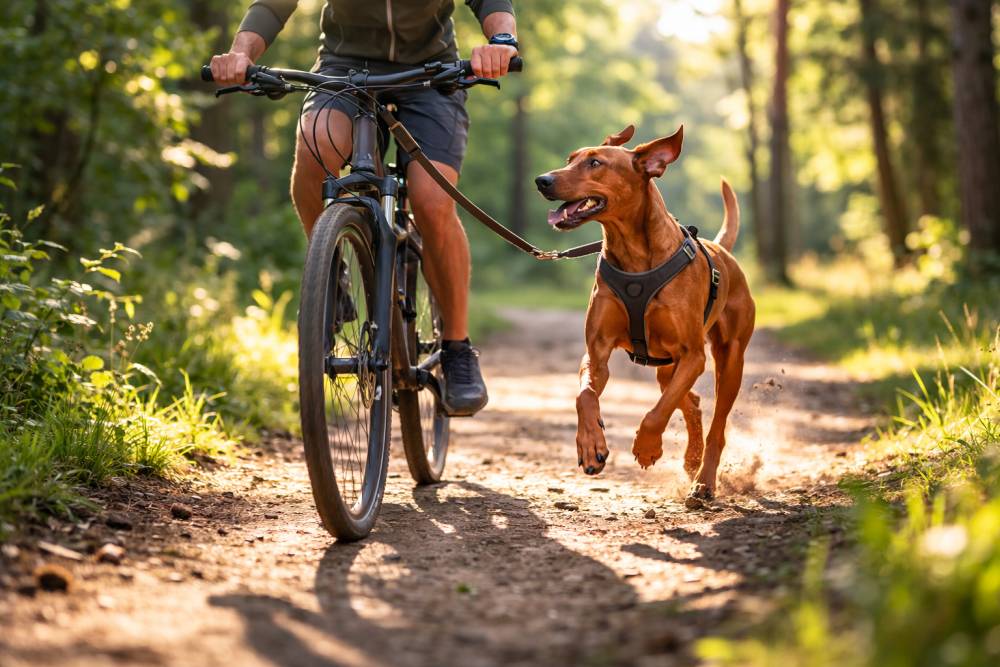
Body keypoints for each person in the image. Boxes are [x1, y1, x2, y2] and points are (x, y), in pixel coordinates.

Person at [211, 1, 519, 417]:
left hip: (431, 74)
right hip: (344, 68)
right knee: (316, 149)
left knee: (432, 200)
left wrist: (501, 41)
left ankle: (457, 349)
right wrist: (241, 53)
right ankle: (330, 270)